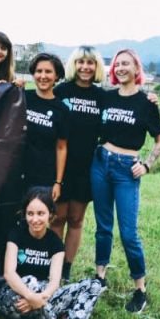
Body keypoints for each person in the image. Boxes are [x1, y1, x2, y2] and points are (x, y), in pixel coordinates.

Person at [91, 49, 160, 313]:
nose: (121, 67)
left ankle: (140, 290)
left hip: (126, 170)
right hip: (101, 163)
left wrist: (147, 164)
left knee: (129, 233)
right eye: (117, 64)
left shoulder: (147, 103)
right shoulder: (106, 97)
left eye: (126, 63)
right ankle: (99, 277)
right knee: (103, 227)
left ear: (136, 69)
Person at [0, 188, 104, 319]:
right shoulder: (16, 235)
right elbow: (9, 274)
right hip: (15, 300)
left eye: (40, 213)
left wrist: (39, 299)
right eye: (30, 213)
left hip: (43, 297)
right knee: (30, 280)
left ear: (50, 215)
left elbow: (54, 282)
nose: (35, 219)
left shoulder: (55, 243)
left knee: (94, 285)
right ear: (24, 215)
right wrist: (31, 297)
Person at [53, 46, 108, 280]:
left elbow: (126, 105)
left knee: (76, 219)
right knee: (58, 218)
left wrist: (150, 99)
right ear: (73, 65)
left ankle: (66, 267)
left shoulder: (102, 96)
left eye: (90, 63)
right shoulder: (61, 91)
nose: (85, 67)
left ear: (96, 67)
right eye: (81, 62)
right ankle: (52, 264)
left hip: (87, 167)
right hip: (60, 164)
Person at [24, 53, 69, 202]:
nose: (43, 76)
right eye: (39, 71)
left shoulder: (62, 109)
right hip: (16, 172)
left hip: (43, 176)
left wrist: (57, 182)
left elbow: (61, 147)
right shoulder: (21, 97)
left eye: (48, 71)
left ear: (57, 76)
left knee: (37, 220)